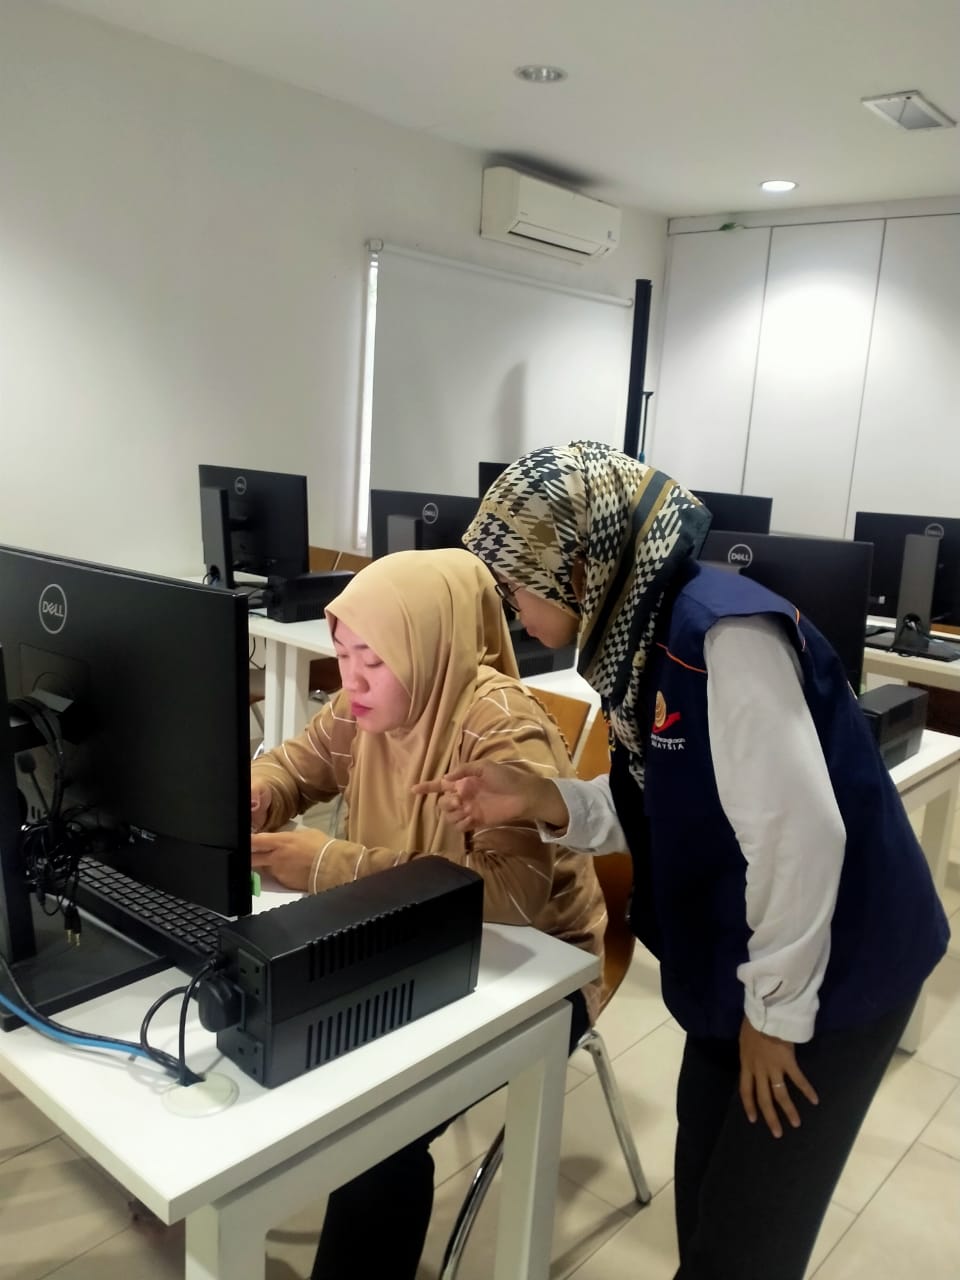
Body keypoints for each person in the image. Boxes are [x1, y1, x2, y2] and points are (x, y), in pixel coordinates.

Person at [418, 439, 950, 1280]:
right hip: (751, 956)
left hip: (837, 967)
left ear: (581, 568)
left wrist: (774, 1020)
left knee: (746, 1245)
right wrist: (540, 798)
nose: (511, 604)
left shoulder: (721, 637)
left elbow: (801, 840)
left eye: (518, 581)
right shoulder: (635, 640)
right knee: (704, 1203)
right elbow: (671, 802)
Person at [248, 546, 606, 1280]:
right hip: (408, 940)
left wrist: (327, 864)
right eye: (343, 653)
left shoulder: (500, 728)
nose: (350, 679)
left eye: (374, 660)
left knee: (377, 1138)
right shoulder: (361, 709)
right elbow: (294, 765)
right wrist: (262, 791)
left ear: (429, 649)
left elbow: (509, 902)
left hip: (536, 973)